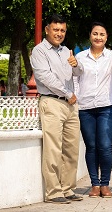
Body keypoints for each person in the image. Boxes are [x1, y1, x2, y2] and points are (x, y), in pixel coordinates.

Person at [30, 14, 84, 204]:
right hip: (52, 102)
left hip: (70, 104)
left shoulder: (66, 51)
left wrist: (77, 65)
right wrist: (68, 94)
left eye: (62, 30)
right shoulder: (39, 51)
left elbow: (78, 73)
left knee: (71, 149)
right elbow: (46, 78)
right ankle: (53, 192)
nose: (59, 33)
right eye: (56, 30)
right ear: (47, 30)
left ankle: (68, 189)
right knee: (53, 149)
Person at [74, 22, 112, 198]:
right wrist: (76, 97)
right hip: (86, 108)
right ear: (90, 36)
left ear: (106, 38)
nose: (98, 37)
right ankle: (94, 184)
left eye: (102, 34)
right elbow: (75, 79)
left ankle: (105, 184)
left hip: (107, 107)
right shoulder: (80, 57)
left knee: (105, 146)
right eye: (95, 34)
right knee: (91, 147)